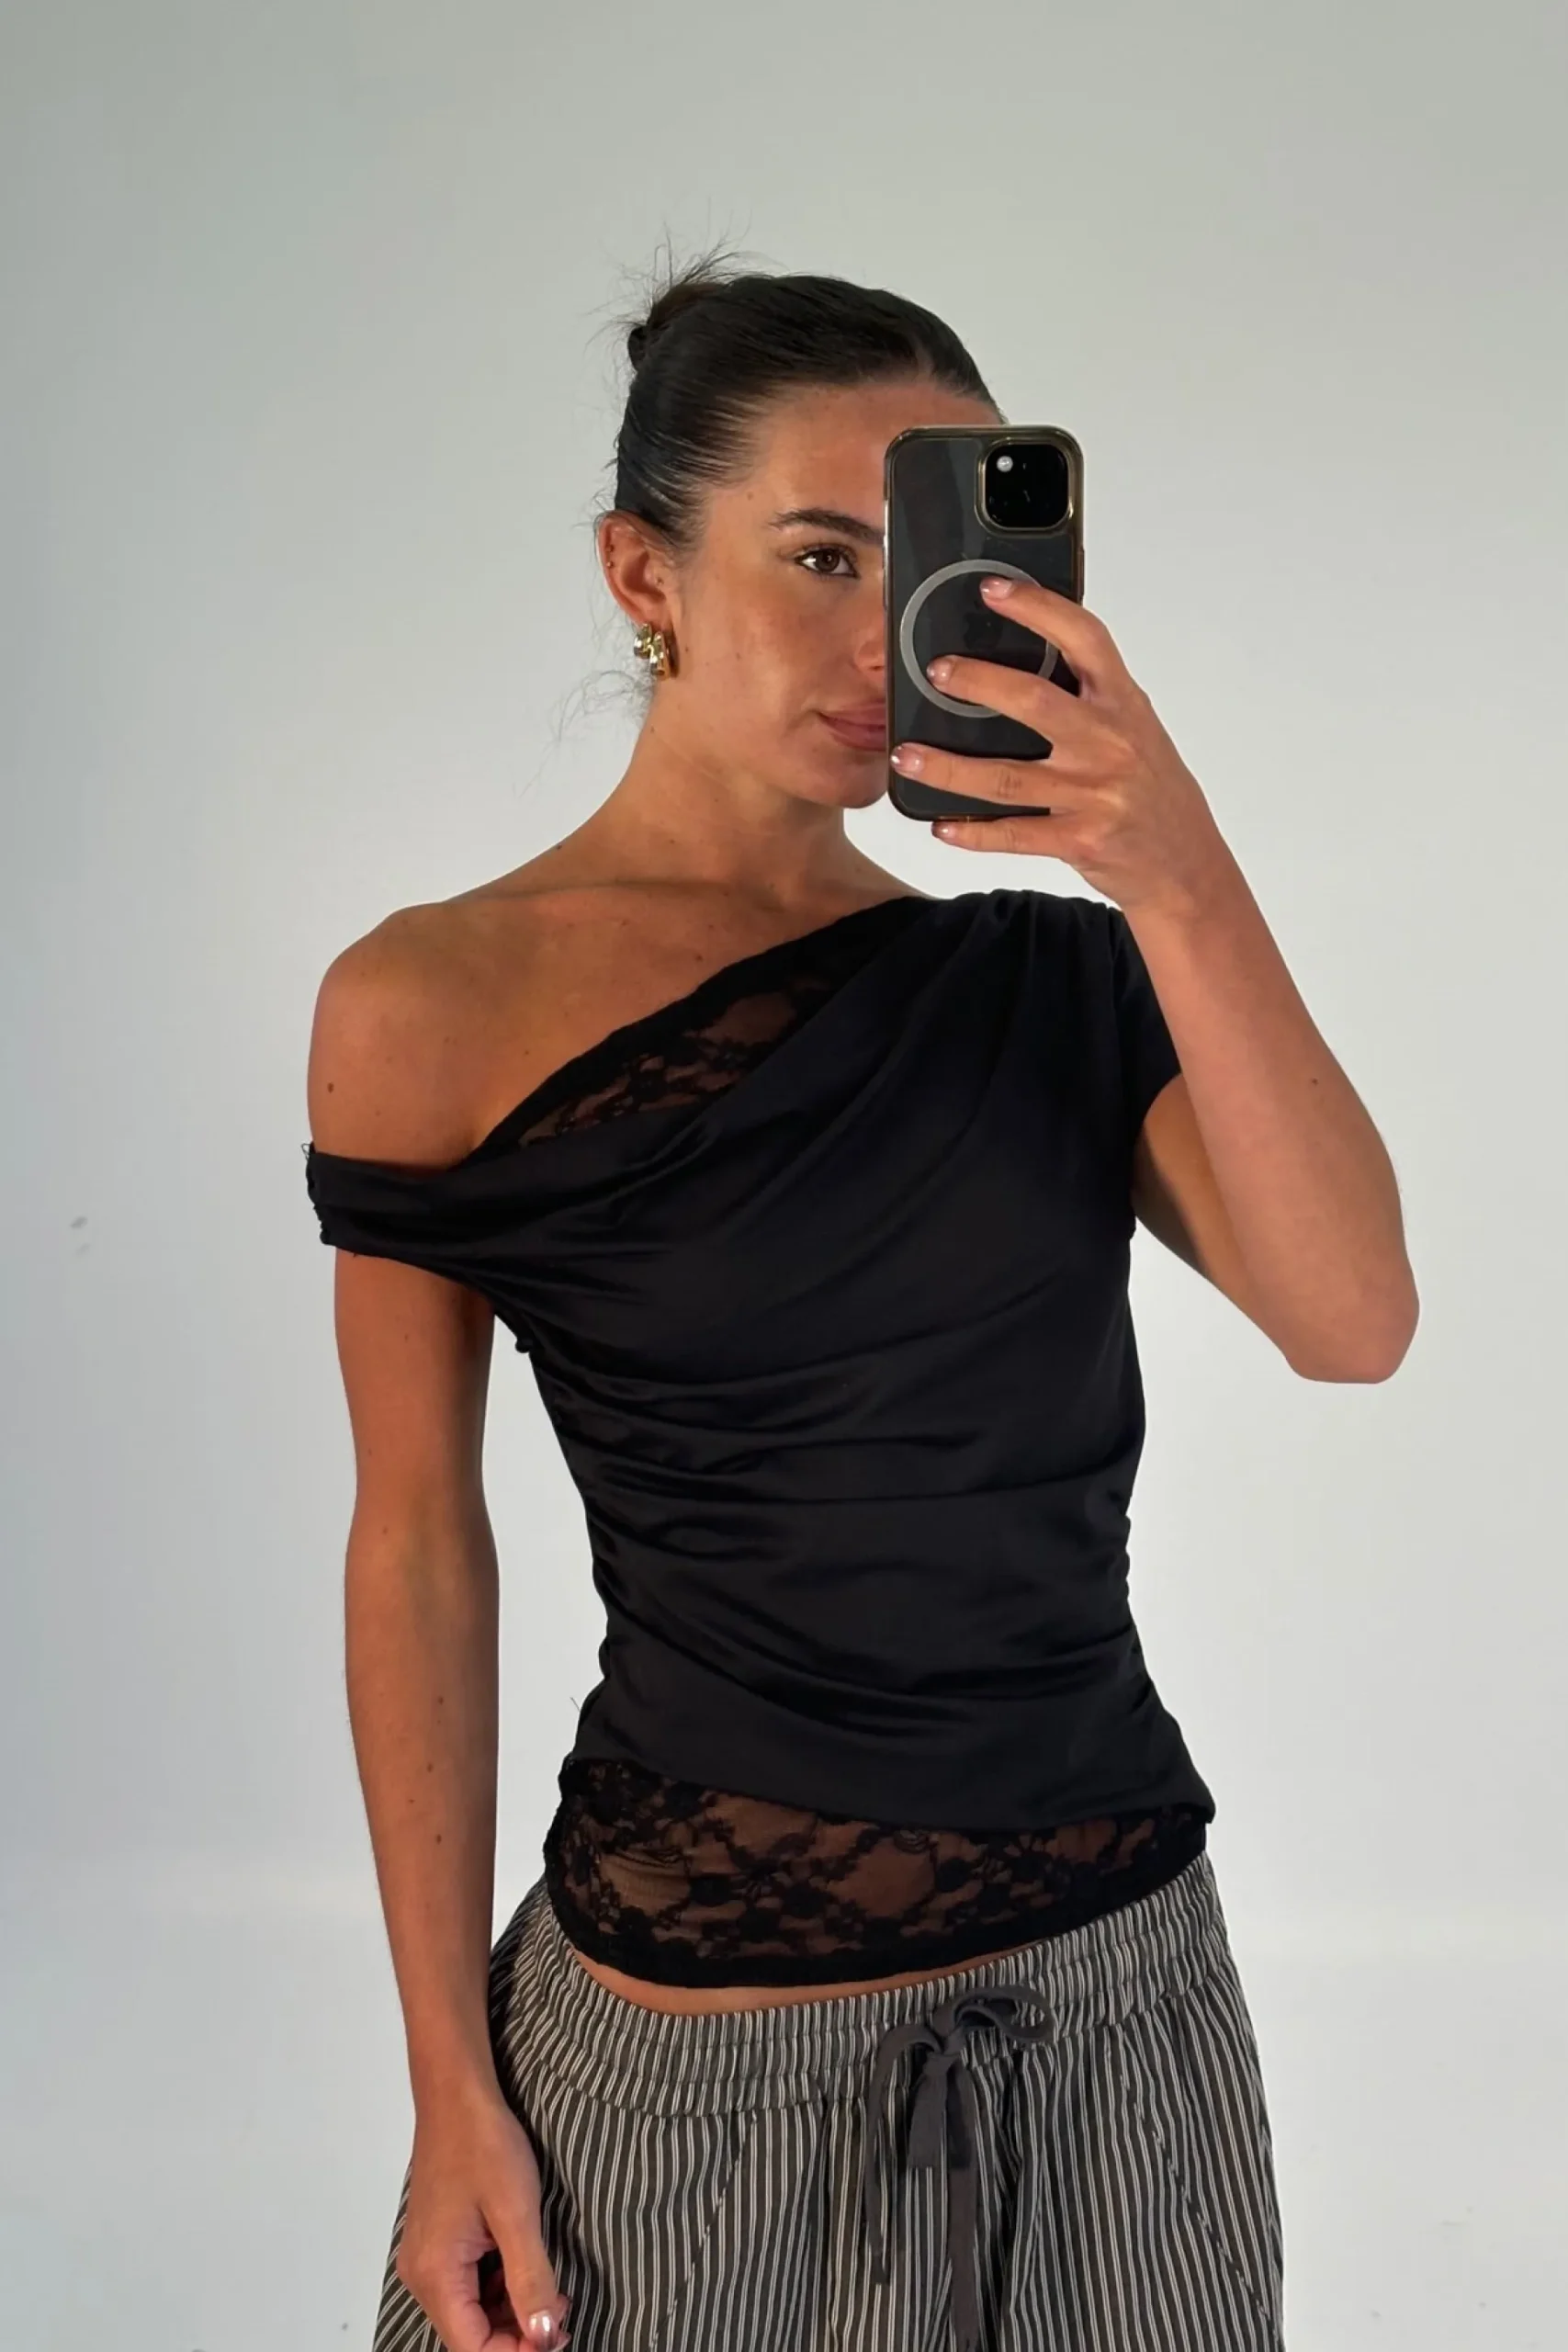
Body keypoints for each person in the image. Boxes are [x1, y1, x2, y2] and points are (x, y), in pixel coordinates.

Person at [304, 254, 1417, 2352]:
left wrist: (1173, 869)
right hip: (688, 2062)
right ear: (642, 571)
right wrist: (449, 2086)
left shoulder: (1053, 980)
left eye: (921, 561)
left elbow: (1353, 1319)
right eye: (816, 554)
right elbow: (417, 1547)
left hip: (1121, 2020)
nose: (875, 632)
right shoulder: (427, 1002)